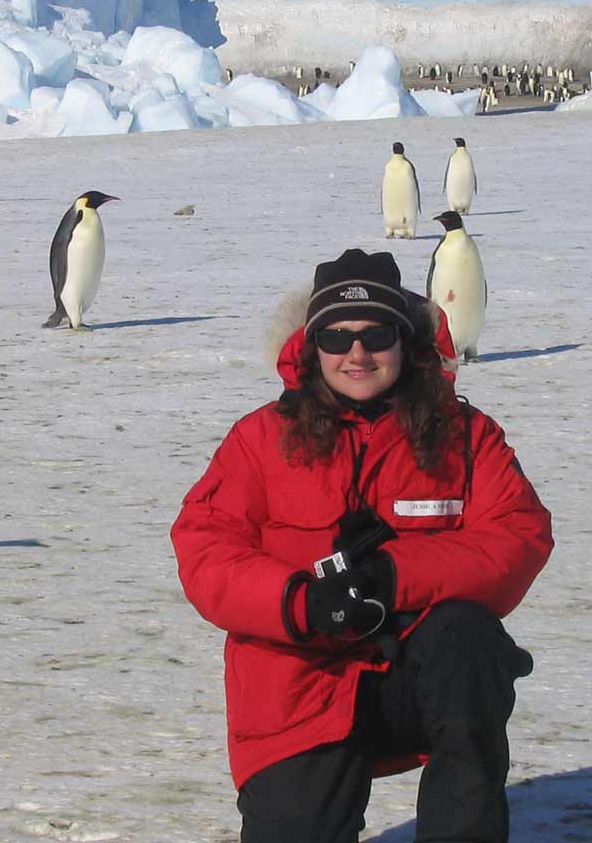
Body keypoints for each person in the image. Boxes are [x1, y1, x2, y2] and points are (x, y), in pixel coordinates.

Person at [171, 248, 553, 843]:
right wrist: (299, 602)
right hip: (300, 677)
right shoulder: (260, 439)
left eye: (376, 334)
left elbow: (518, 533)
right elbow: (206, 548)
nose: (356, 353)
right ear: (310, 346)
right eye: (335, 337)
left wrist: (394, 576)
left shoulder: (464, 434)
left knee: (468, 641)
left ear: (405, 341)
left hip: (415, 672)